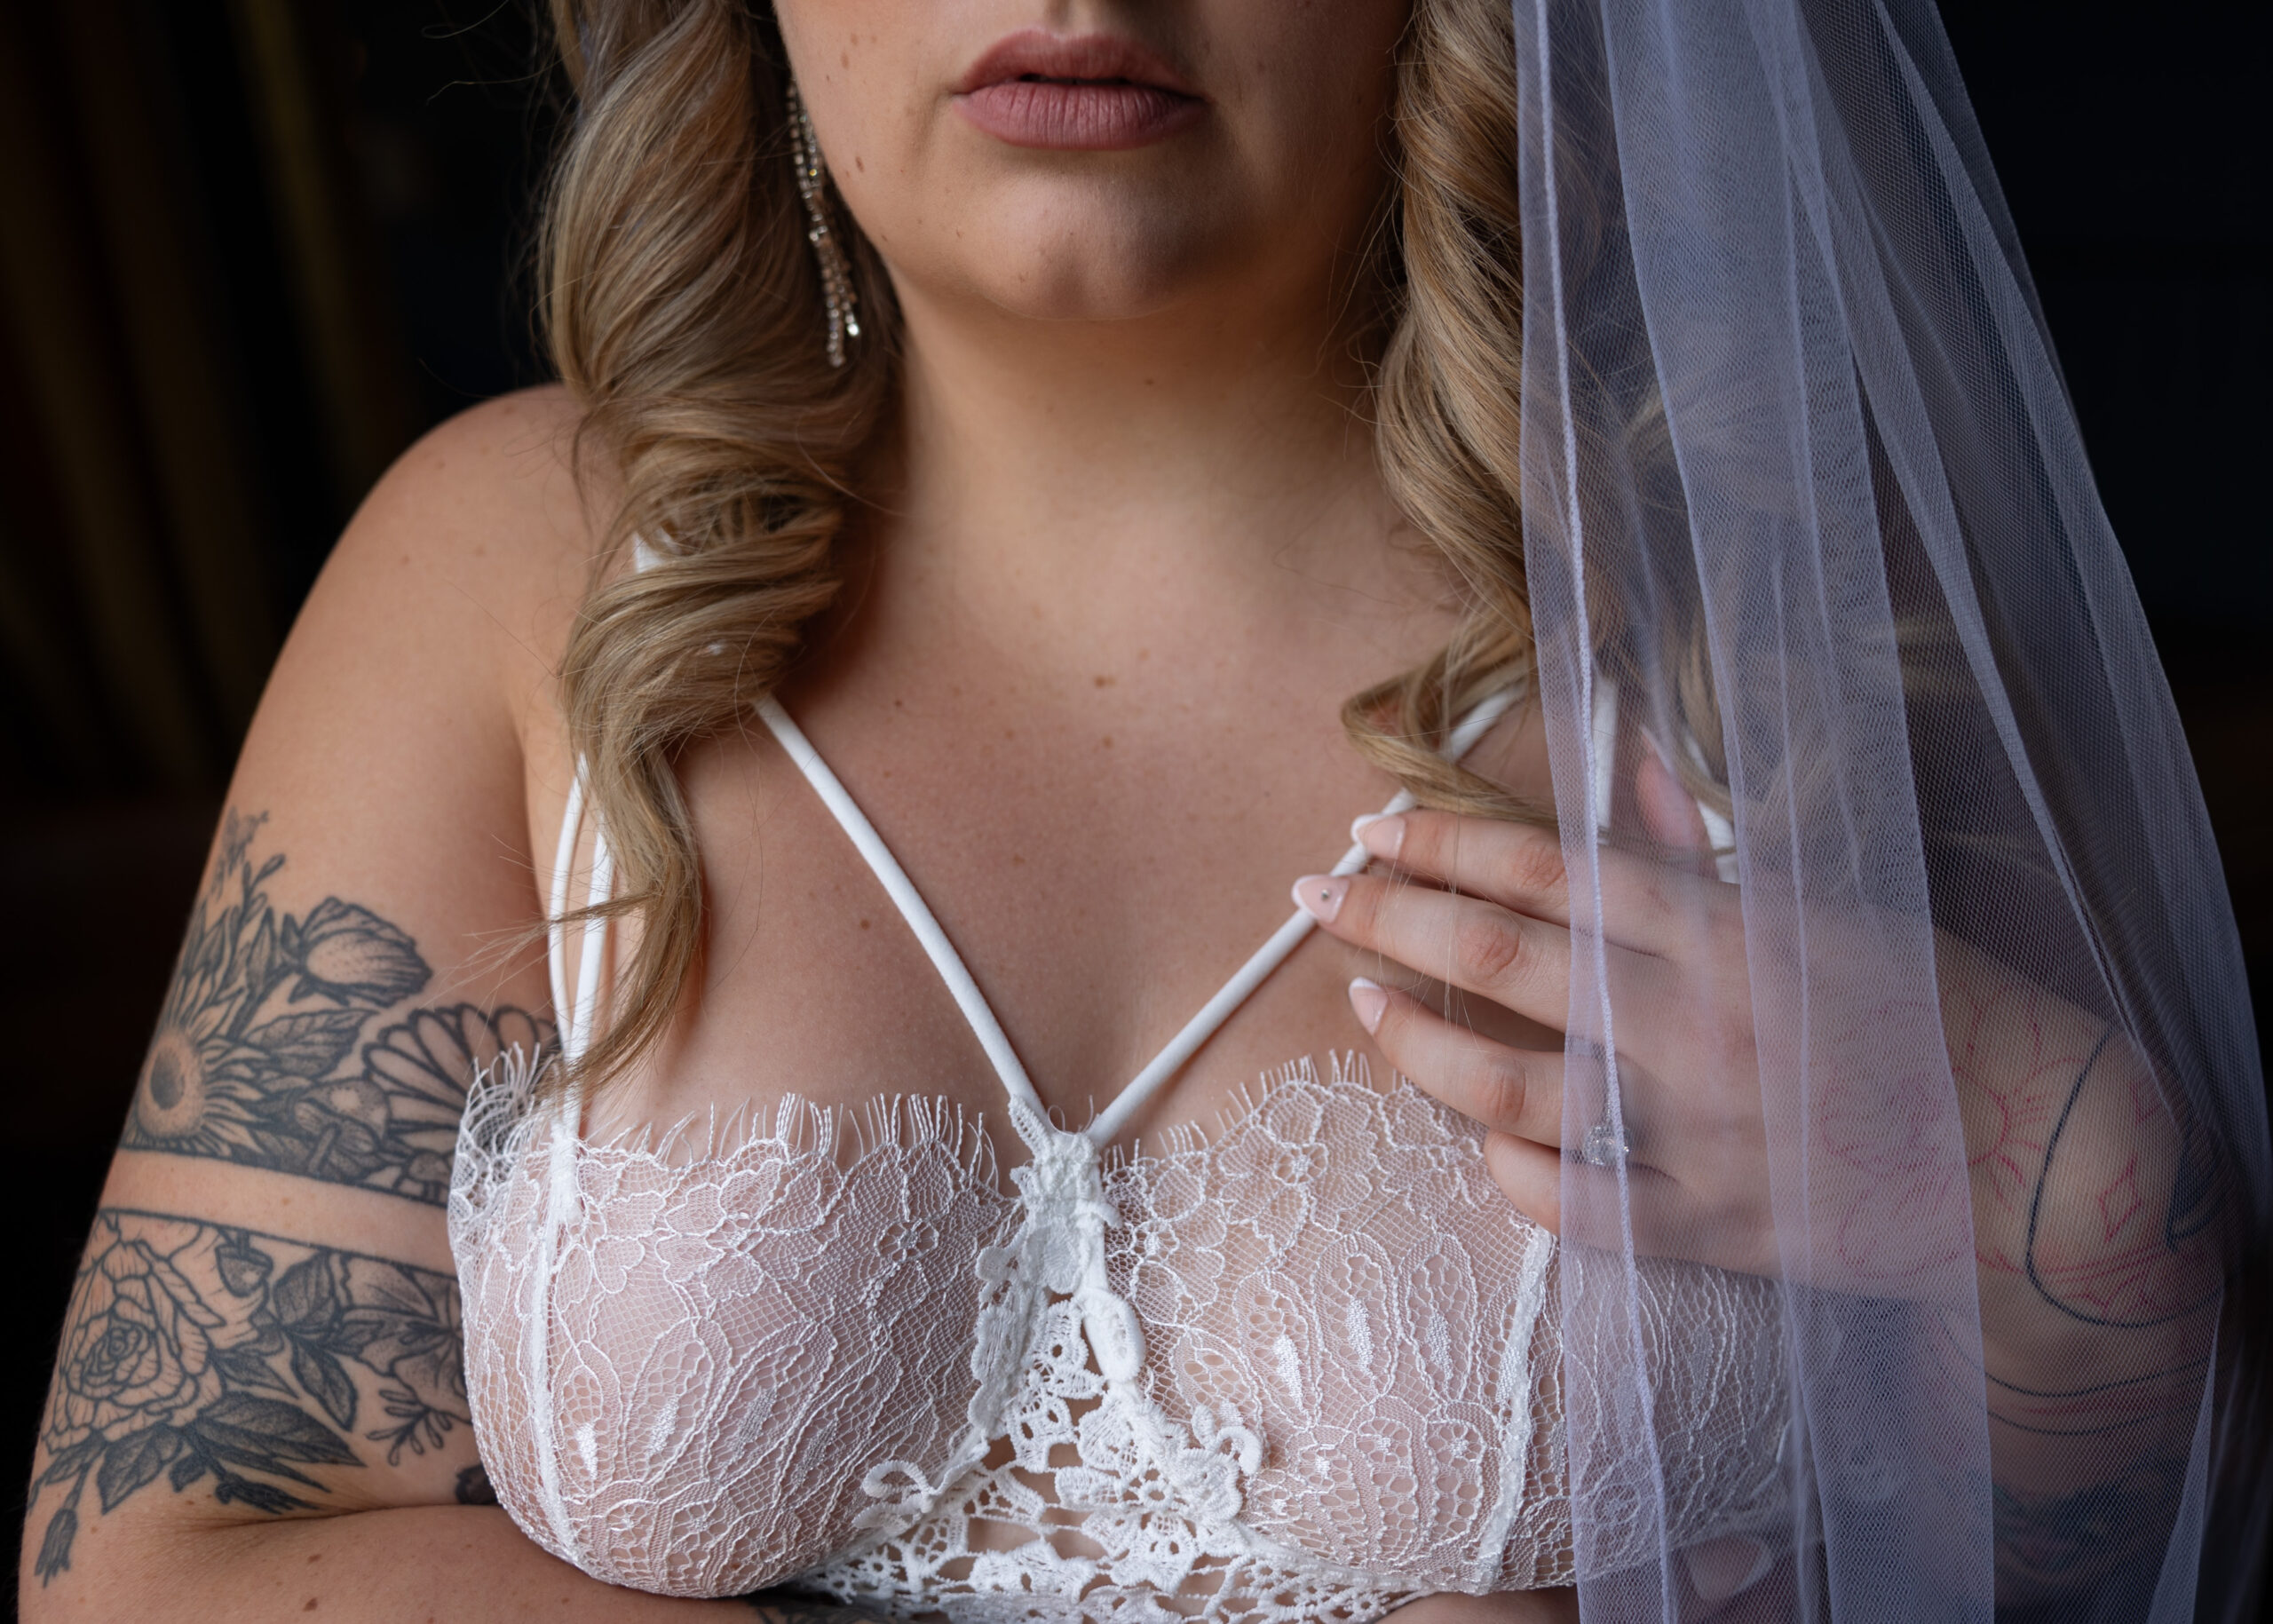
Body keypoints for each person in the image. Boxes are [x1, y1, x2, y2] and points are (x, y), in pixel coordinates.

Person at [20, 1, 2267, 1620]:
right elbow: (154, 1558)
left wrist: (2065, 1190)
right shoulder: (513, 574)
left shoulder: (1769, 638)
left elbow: (2106, 1550)